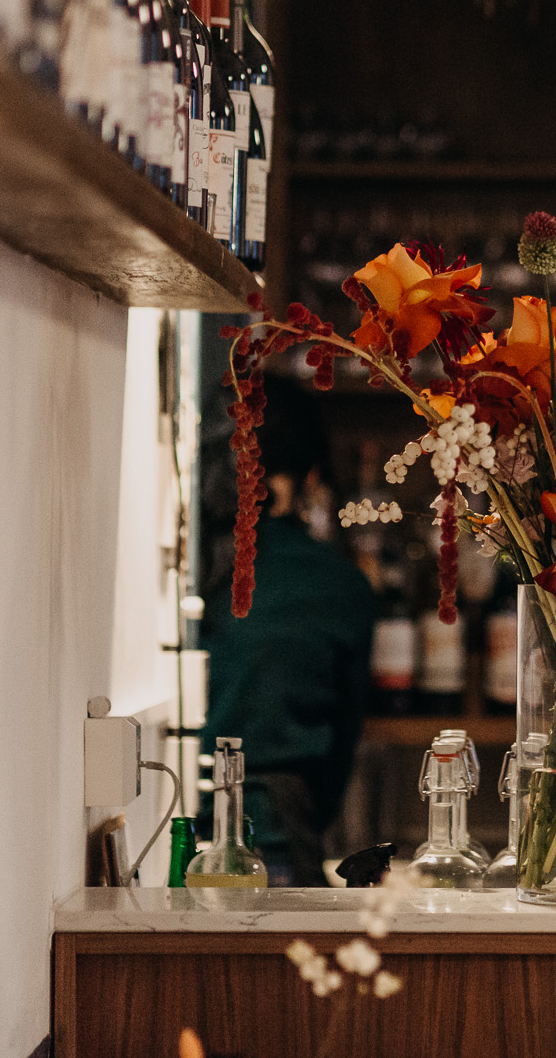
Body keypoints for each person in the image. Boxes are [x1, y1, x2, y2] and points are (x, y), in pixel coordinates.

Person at [197, 376, 376, 886]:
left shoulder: (192, 573)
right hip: (279, 844)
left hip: (175, 837)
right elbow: (342, 749)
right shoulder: (340, 584)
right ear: (311, 476)